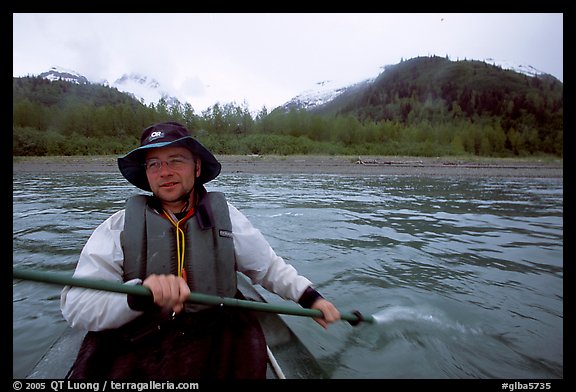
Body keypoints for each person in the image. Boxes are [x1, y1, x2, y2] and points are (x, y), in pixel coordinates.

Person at [60, 121, 341, 379]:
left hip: (215, 330)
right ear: (146, 175)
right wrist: (137, 296)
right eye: (154, 164)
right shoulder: (117, 227)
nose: (165, 172)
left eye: (175, 161)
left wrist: (310, 298)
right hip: (139, 333)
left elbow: (266, 267)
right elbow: (78, 307)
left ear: (196, 167)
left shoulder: (226, 217)